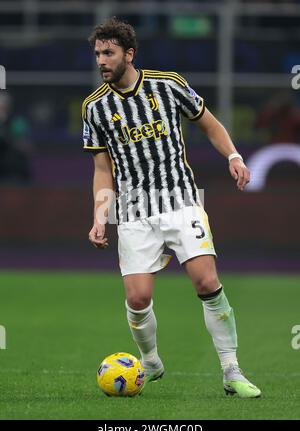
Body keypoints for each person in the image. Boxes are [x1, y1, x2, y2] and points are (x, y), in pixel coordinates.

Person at [83, 17, 261, 398]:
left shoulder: (168, 84)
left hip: (180, 200)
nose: (101, 60)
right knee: (138, 298)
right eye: (98, 53)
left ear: (129, 54)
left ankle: (231, 370)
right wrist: (100, 216)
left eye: (109, 53)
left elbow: (209, 123)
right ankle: (150, 361)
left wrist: (233, 155)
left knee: (206, 281)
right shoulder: (94, 108)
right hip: (132, 210)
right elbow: (102, 169)